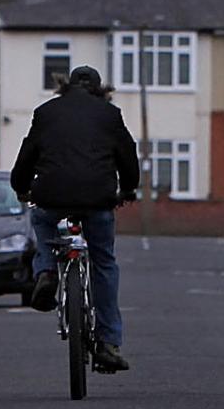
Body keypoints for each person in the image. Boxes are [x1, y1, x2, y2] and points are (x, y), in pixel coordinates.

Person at [9, 63, 141, 373]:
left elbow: (26, 155)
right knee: (103, 262)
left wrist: (21, 187)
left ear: (65, 86)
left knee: (42, 222)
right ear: (100, 90)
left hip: (51, 196)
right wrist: (129, 189)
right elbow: (128, 154)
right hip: (98, 199)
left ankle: (45, 272)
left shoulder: (46, 112)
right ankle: (108, 342)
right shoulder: (110, 115)